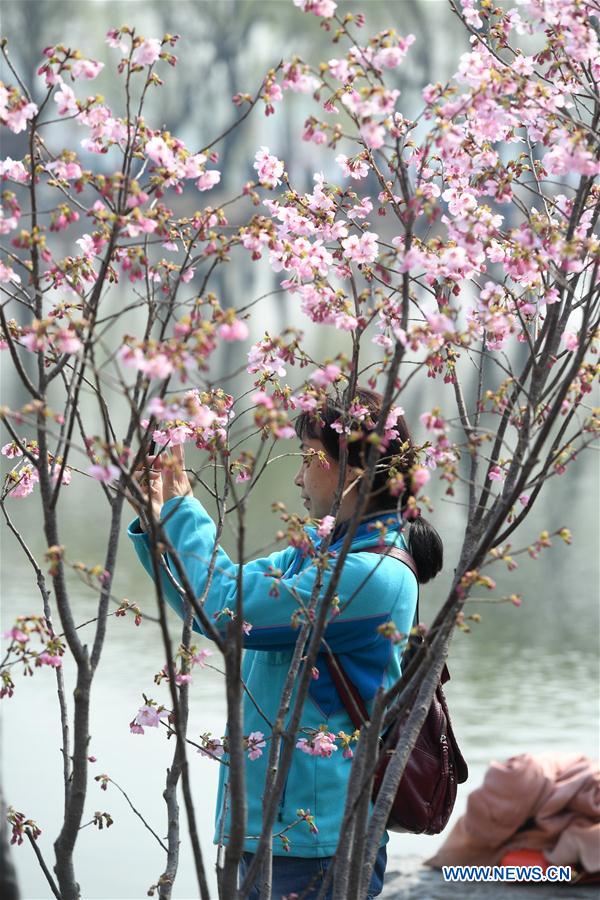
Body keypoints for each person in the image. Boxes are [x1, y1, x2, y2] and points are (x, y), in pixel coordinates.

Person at [126, 387, 443, 899]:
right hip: (276, 829)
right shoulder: (322, 551)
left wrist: (182, 505)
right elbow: (216, 605)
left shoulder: (372, 575)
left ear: (354, 469)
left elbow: (228, 606)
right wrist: (158, 516)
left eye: (308, 458)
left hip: (314, 841)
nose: (297, 477)